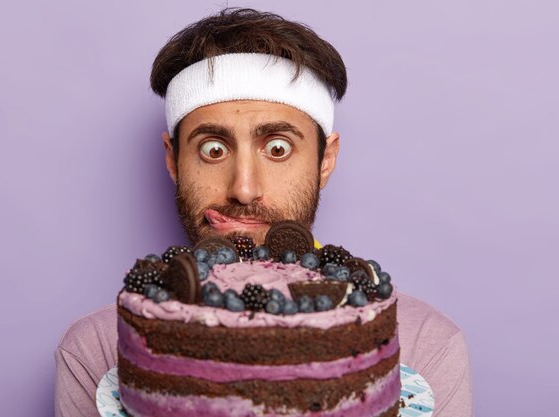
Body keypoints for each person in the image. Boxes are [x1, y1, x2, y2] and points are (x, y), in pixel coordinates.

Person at [54, 7, 473, 417]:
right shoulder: (95, 350)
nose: (244, 188)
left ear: (325, 160)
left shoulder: (424, 345)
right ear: (173, 161)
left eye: (278, 148)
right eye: (212, 150)